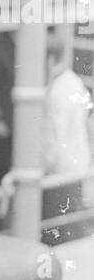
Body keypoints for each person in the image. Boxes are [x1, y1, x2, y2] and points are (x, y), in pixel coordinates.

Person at [42, 30, 93, 238]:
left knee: (60, 230)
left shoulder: (58, 91)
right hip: (73, 165)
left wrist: (44, 168)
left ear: (50, 58)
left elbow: (57, 136)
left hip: (60, 172)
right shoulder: (73, 82)